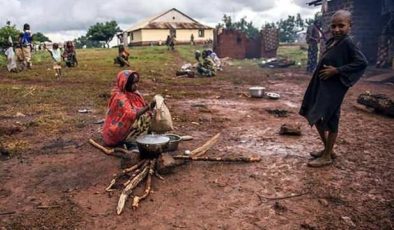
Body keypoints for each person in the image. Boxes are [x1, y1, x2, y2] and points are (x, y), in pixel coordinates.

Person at [299, 10, 368, 167]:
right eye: (333, 26)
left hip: (334, 89)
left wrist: (337, 70)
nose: (337, 29)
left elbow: (362, 62)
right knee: (314, 112)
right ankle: (327, 150)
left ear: (350, 26)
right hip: (323, 86)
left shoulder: (347, 43)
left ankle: (327, 156)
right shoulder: (333, 41)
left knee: (330, 118)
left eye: (341, 26)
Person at [102, 70, 156, 147]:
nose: (136, 85)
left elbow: (140, 107)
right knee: (144, 119)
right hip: (116, 132)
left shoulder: (134, 93)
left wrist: (150, 108)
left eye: (137, 82)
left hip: (127, 124)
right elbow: (131, 115)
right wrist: (148, 107)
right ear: (124, 83)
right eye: (133, 83)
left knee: (148, 117)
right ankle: (129, 140)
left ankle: (137, 136)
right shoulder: (120, 97)